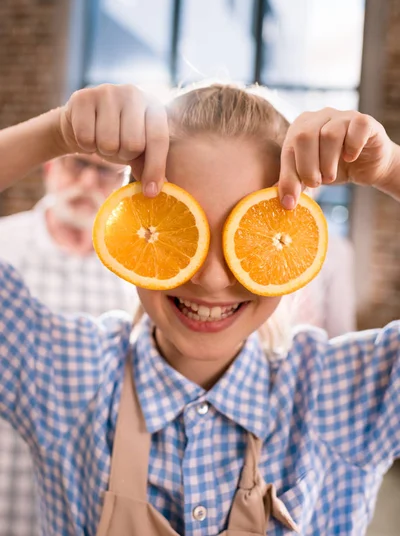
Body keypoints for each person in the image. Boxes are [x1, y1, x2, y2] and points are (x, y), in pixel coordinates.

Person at [0, 82, 399, 536]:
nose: (210, 278)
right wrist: (58, 132)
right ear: (137, 227)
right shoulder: (66, 377)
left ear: (285, 245)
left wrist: (388, 168)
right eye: (179, 232)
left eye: (242, 236)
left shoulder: (345, 396)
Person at [0, 153, 138, 535]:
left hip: (82, 501)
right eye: (78, 165)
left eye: (105, 172)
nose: (89, 182)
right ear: (49, 167)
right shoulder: (3, 245)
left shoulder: (132, 273)